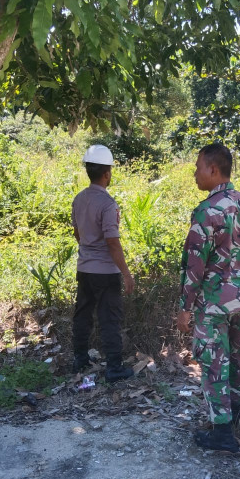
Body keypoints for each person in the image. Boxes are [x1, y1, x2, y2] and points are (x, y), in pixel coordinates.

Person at [177, 143, 240, 453]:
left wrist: (185, 308)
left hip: (213, 303)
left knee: (214, 362)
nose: (195, 173)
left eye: (198, 167)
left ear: (214, 170)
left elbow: (194, 266)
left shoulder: (207, 210)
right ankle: (236, 414)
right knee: (239, 356)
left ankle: (222, 434)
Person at [71, 144, 135, 382]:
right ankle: (114, 368)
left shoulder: (79, 199)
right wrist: (126, 273)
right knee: (110, 318)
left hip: (84, 268)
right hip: (105, 272)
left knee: (83, 314)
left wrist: (88, 248)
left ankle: (80, 359)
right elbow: (113, 242)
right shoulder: (108, 204)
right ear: (107, 173)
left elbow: (77, 234)